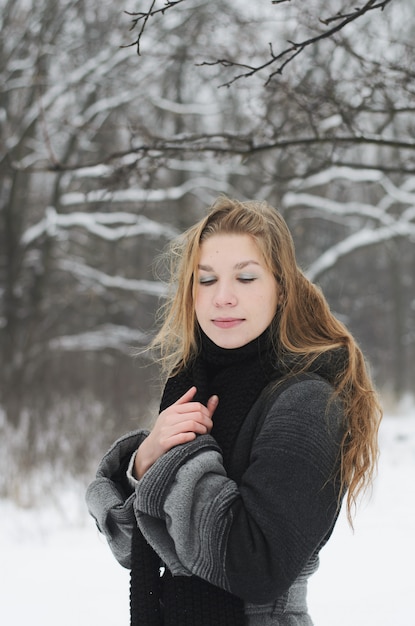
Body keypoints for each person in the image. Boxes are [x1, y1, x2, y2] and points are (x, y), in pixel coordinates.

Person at [86, 196, 382, 626]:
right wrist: (145, 461)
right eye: (206, 280)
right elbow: (140, 548)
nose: (223, 297)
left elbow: (255, 565)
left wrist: (176, 462)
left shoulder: (307, 402)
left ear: (282, 288)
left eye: (245, 278)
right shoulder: (189, 384)